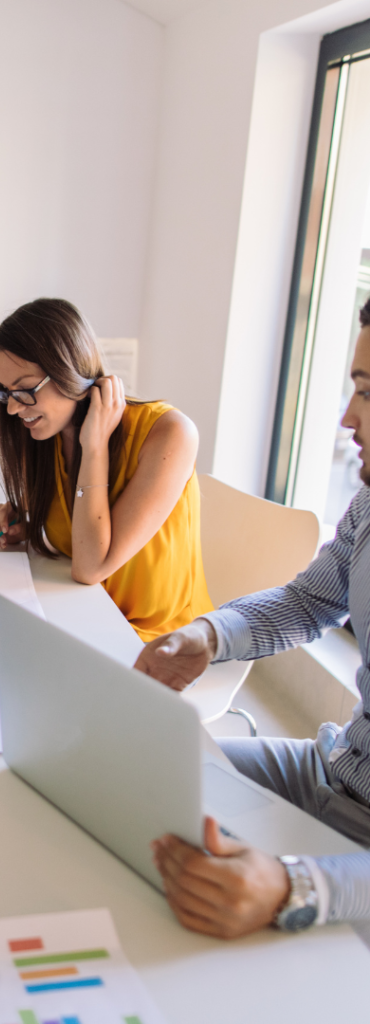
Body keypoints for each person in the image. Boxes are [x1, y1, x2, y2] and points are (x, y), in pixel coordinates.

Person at [134, 296, 370, 939]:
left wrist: (298, 886)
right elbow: (310, 600)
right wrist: (207, 635)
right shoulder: (369, 503)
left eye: (368, 393)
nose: (348, 419)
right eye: (354, 386)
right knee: (139, 773)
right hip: (331, 771)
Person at [0, 298, 213, 641]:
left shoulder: (170, 434)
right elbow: (76, 537)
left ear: (68, 368)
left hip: (158, 642)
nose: (14, 408)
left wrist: (94, 447)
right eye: (5, 392)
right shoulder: (48, 436)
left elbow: (90, 567)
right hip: (83, 619)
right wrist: (25, 523)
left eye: (26, 389)